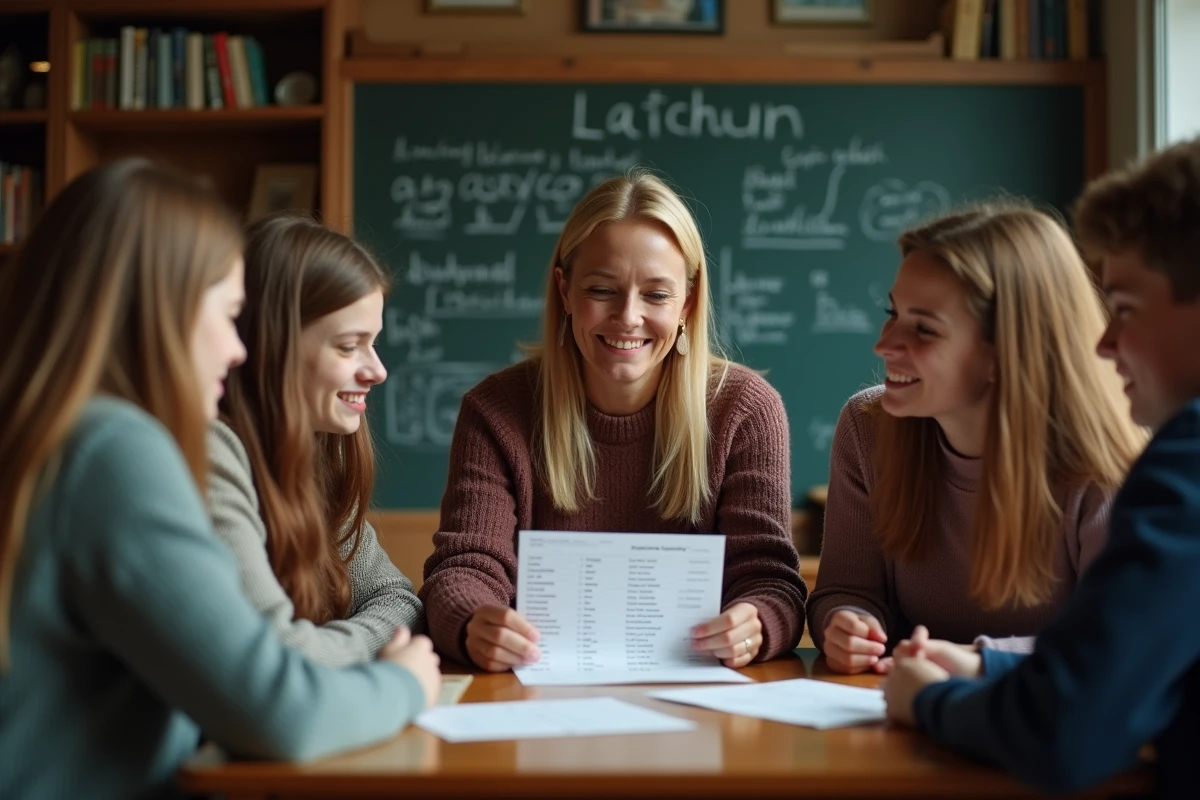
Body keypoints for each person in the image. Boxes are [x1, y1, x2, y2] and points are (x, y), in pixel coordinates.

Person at [0, 160, 439, 800]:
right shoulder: (115, 452)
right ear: (160, 308)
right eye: (228, 315)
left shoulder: (56, 432)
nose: (239, 351)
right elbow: (283, 709)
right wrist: (404, 682)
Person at [881, 136, 1200, 796]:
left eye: (1127, 309)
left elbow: (1067, 728)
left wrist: (928, 703)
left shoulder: (1184, 466)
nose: (1105, 343)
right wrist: (987, 668)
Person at [421, 170, 806, 671]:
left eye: (657, 295)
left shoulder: (746, 410)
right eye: (602, 290)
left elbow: (769, 577)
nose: (628, 316)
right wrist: (474, 622)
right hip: (536, 696)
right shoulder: (496, 411)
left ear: (687, 302)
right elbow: (465, 565)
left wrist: (757, 623)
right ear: (564, 290)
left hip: (700, 699)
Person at [808, 201, 1145, 674]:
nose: (884, 344)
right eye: (893, 312)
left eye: (923, 328)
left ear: (1004, 352)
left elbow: (1116, 643)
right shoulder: (868, 425)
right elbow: (848, 591)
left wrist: (976, 662)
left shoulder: (1109, 467)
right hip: (907, 715)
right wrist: (847, 624)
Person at [209, 215, 422, 667]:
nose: (378, 371)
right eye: (349, 347)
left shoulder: (313, 457)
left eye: (375, 343)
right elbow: (278, 660)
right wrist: (379, 660)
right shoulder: (211, 455)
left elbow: (400, 600)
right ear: (271, 347)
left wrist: (326, 647)